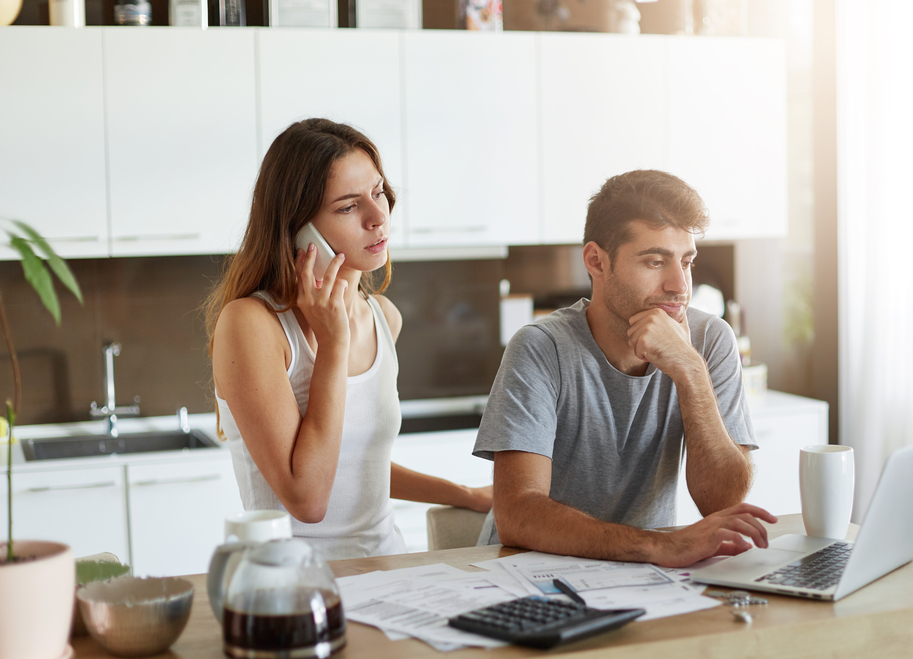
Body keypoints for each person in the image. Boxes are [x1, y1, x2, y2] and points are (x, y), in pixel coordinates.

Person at [204, 119, 492, 560]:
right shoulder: (252, 325)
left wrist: (464, 494)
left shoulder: (383, 318)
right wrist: (333, 346)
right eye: (347, 207)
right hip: (296, 586)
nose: (378, 218)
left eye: (378, 193)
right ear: (299, 229)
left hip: (391, 569)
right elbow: (309, 498)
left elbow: (357, 467)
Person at [473, 169, 777, 567]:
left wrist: (690, 370)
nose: (679, 286)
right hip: (530, 573)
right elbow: (518, 515)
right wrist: (658, 546)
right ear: (596, 261)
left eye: (686, 262)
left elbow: (719, 502)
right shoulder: (541, 347)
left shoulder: (709, 340)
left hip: (641, 574)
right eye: (655, 261)